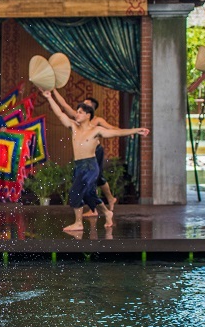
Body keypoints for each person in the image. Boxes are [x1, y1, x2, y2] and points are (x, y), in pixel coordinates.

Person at [43, 91, 149, 232]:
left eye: (80, 112)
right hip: (79, 165)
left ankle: (78, 223)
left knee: (76, 192)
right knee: (89, 194)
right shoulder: (73, 127)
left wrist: (135, 130)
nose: (77, 114)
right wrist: (49, 97)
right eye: (77, 112)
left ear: (88, 115)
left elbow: (116, 132)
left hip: (90, 166)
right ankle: (107, 212)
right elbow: (60, 114)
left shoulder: (96, 130)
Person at [51, 91, 117, 212]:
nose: (81, 107)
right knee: (85, 182)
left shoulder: (97, 120)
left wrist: (128, 132)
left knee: (96, 178)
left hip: (96, 151)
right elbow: (64, 106)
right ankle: (97, 208)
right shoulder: (78, 117)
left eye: (86, 104)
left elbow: (112, 129)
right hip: (83, 156)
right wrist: (53, 91)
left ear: (91, 109)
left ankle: (108, 200)